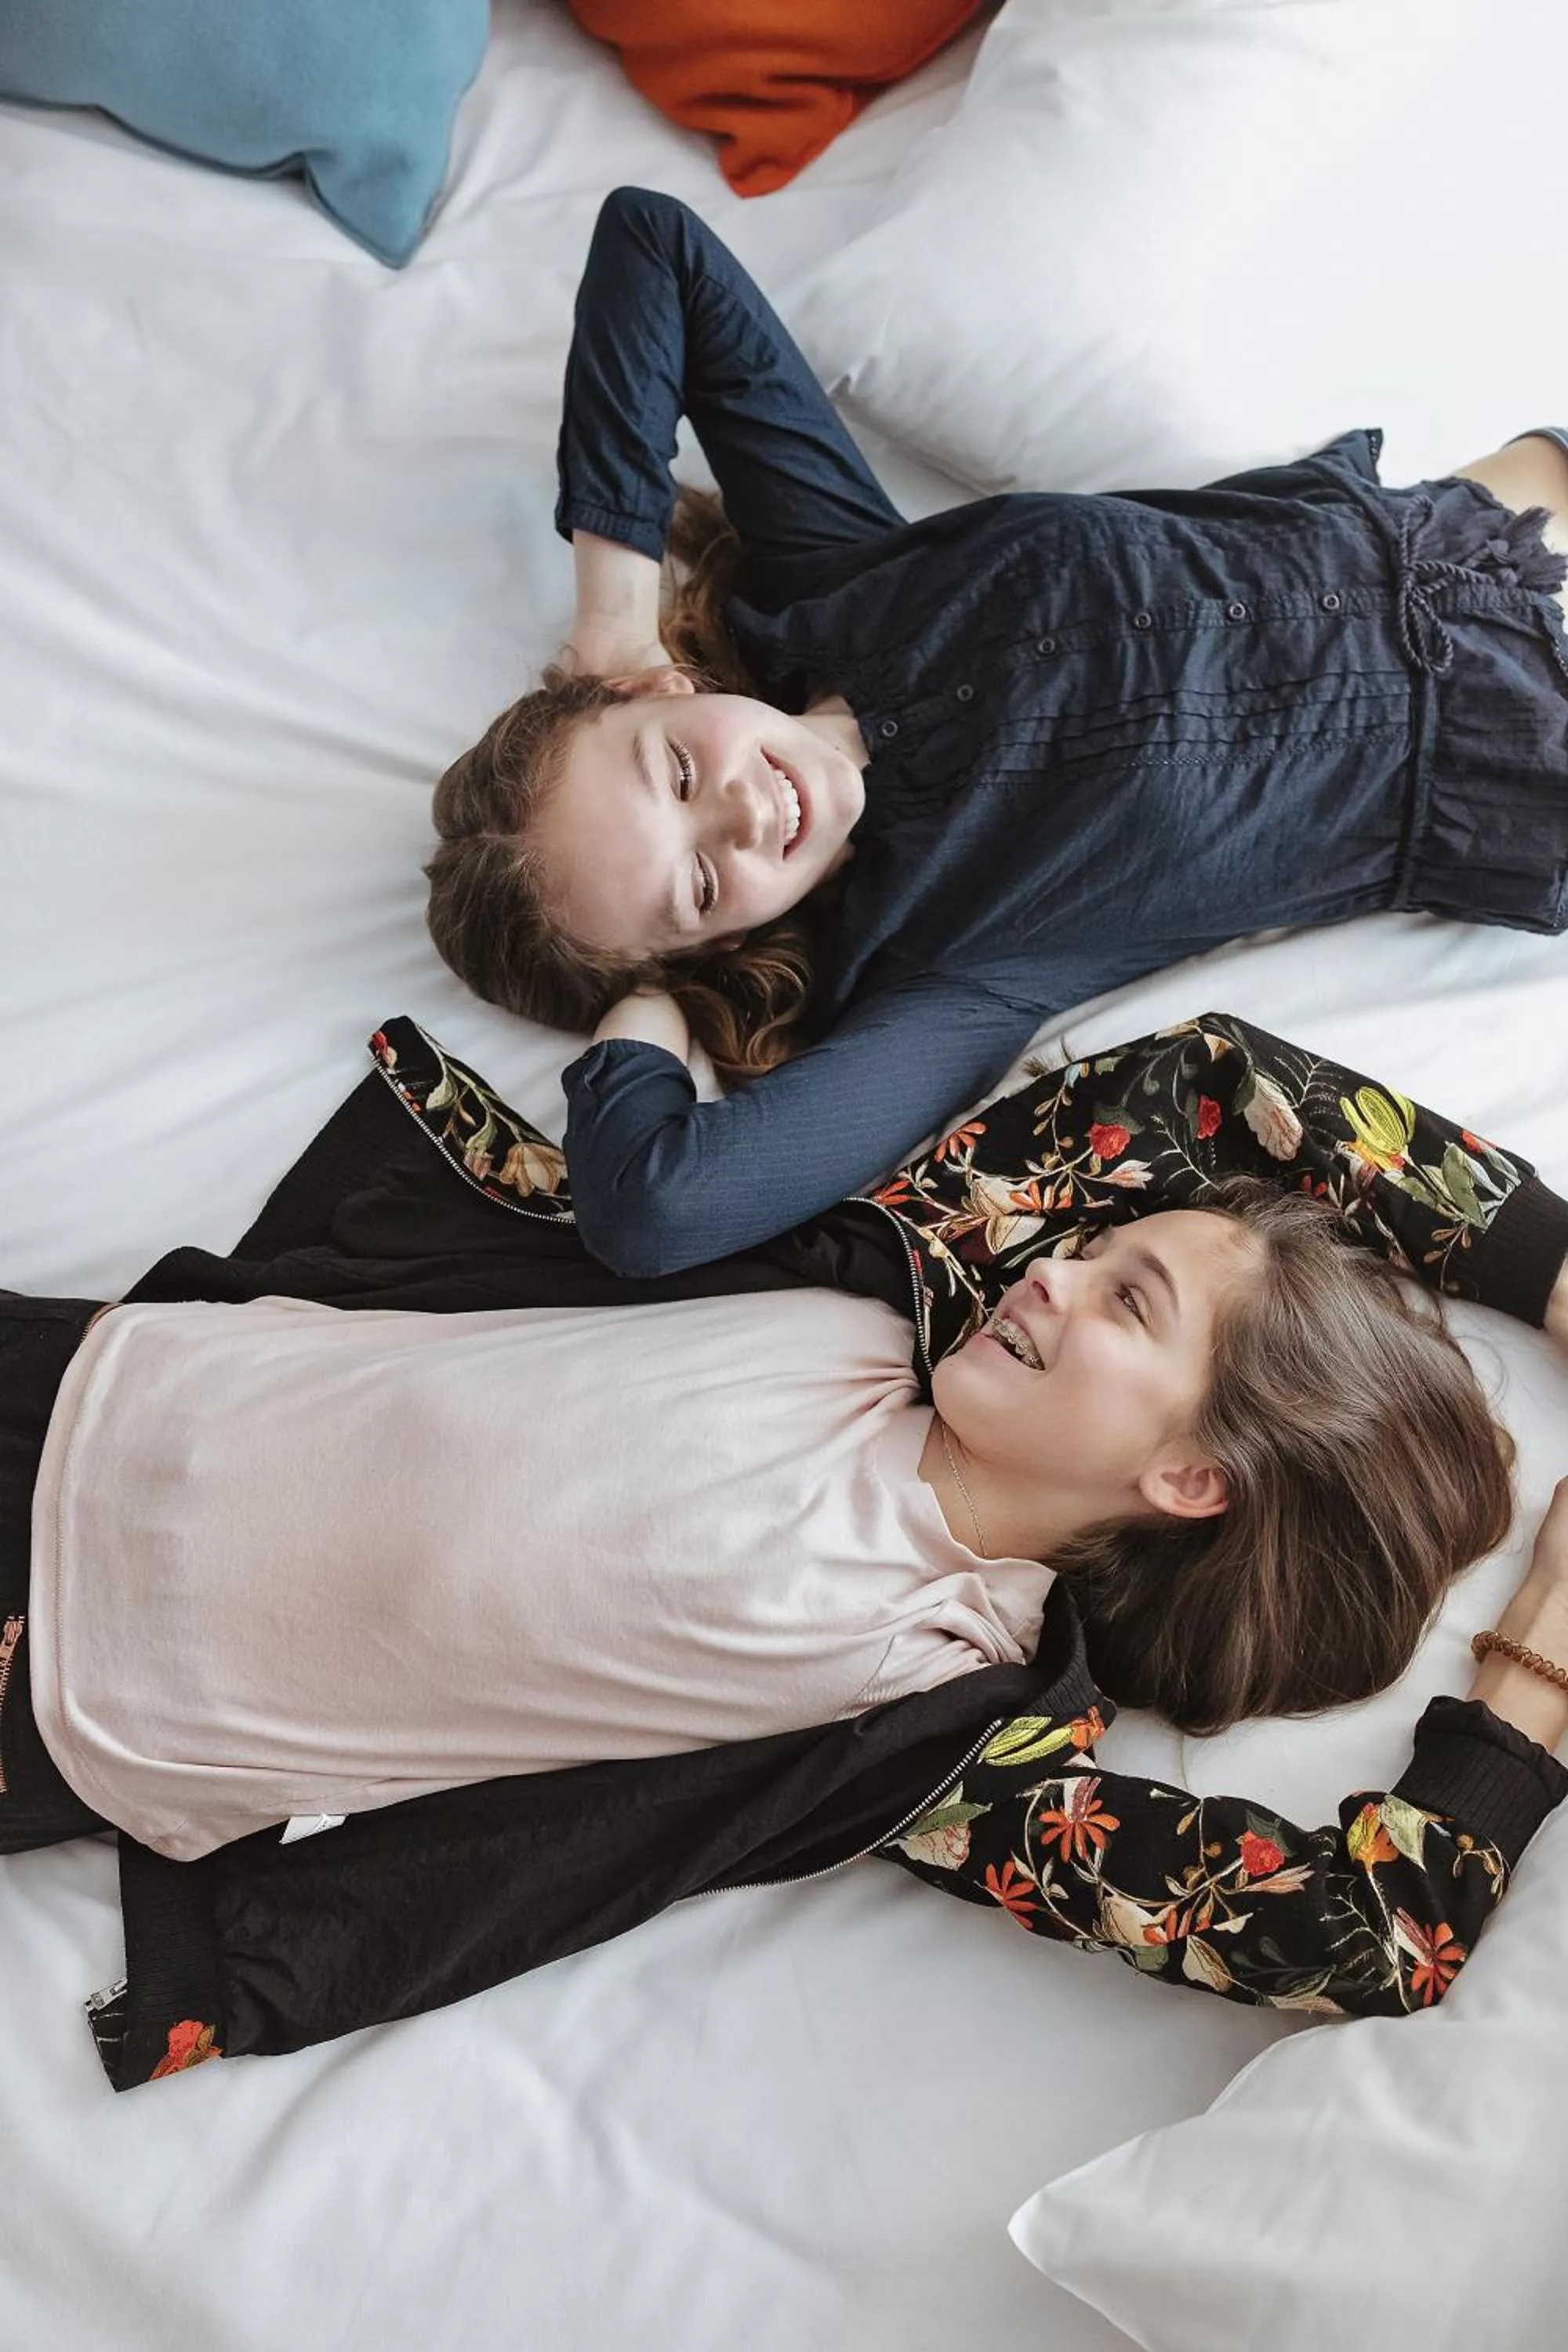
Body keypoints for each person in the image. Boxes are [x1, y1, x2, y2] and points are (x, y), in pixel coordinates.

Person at [5, 1008, 1566, 2089]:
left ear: (1187, 1479)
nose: (1059, 1278)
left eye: (1127, 1302)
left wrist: (1530, 1681)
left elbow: (1365, 1939)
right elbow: (1214, 1084)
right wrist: (1553, 1269)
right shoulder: (914, 1275)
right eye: (1094, 1248)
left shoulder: (939, 1718)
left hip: (55, 1691)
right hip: (79, 1384)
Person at [425, 186, 1568, 1279]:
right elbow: (655, 1206)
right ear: (724, 945)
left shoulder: (837, 579)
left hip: (1511, 508)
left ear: (658, 694)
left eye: (675, 773)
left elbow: (654, 245)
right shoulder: (947, 970)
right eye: (699, 889)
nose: (741, 814)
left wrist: (610, 623)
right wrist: (649, 1007)